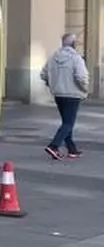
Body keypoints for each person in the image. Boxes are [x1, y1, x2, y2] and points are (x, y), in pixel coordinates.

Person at [40, 32, 90, 160]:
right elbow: (81, 77)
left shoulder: (53, 57)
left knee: (66, 122)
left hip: (58, 94)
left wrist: (52, 84)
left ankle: (72, 149)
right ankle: (54, 146)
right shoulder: (76, 58)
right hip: (73, 95)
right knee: (68, 123)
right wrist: (85, 89)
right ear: (73, 44)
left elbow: (43, 75)